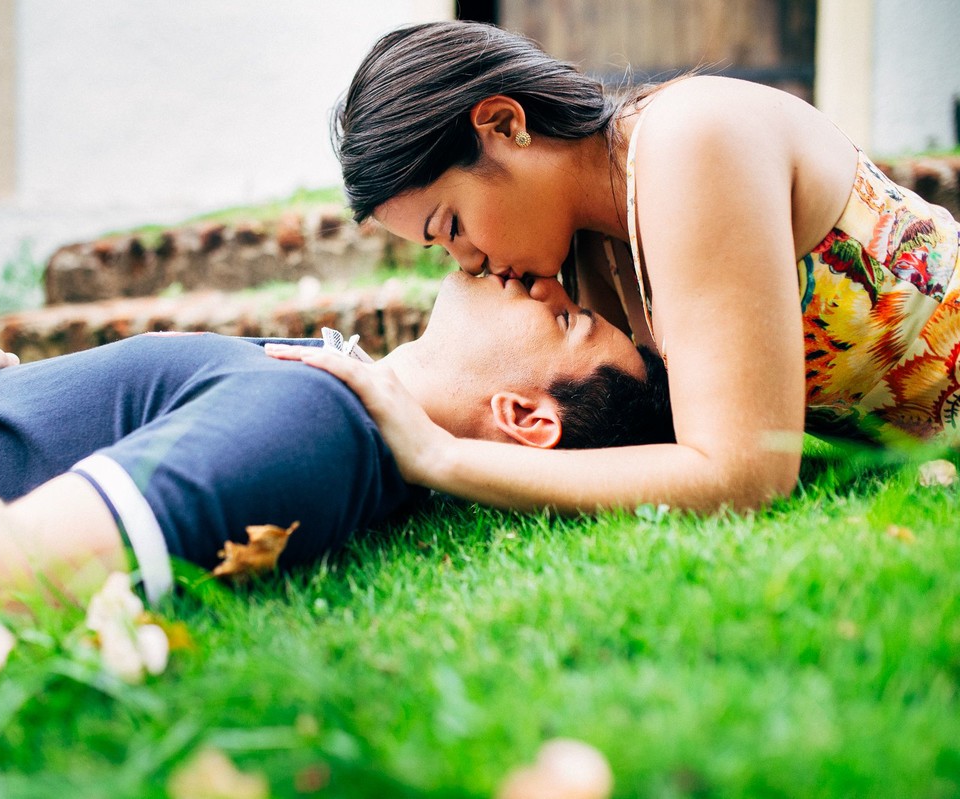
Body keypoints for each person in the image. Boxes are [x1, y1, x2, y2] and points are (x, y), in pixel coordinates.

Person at [269, 21, 960, 515]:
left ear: (506, 123)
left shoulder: (690, 145)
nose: (468, 265)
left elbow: (744, 472)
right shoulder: (590, 244)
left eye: (452, 226)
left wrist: (442, 460)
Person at [0, 270, 672, 627]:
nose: (540, 275)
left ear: (525, 417)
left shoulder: (313, 428)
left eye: (566, 316)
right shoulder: (320, 389)